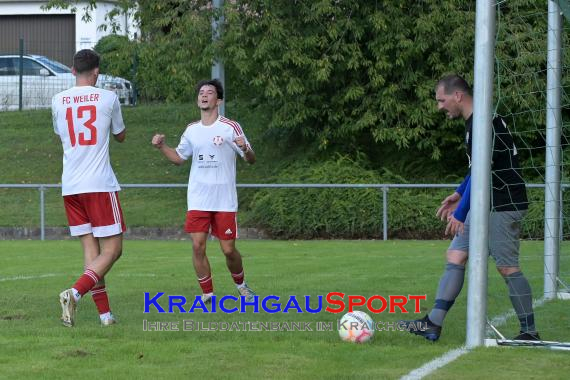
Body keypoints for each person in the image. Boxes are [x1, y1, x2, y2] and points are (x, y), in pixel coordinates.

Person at [401, 74, 539, 341]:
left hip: (503, 204)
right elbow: (477, 170)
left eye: (442, 100)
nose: (439, 107)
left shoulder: (483, 124)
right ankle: (432, 323)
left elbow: (482, 173)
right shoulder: (477, 122)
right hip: (484, 203)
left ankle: (529, 332)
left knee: (507, 267)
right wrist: (458, 194)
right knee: (455, 256)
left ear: (458, 96)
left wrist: (461, 213)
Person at [151, 79, 257, 303]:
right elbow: (179, 158)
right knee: (198, 245)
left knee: (228, 250)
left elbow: (251, 159)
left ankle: (242, 285)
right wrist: (162, 147)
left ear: (218, 100)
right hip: (198, 199)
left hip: (224, 200)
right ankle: (207, 293)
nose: (204, 95)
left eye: (209, 92)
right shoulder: (192, 130)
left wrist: (245, 148)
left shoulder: (230, 127)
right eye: (201, 93)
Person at [52, 49, 127, 327]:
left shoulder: (57, 100)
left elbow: (61, 133)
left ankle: (105, 316)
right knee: (113, 250)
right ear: (96, 72)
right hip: (99, 185)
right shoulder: (108, 97)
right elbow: (120, 135)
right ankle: (74, 292)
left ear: (72, 70)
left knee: (91, 252)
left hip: (71, 186)